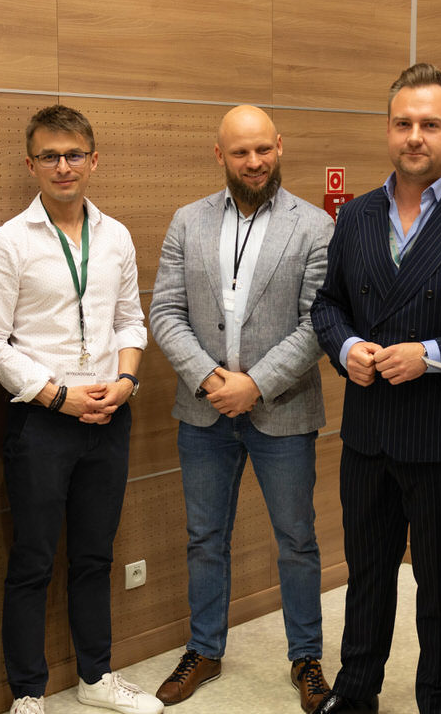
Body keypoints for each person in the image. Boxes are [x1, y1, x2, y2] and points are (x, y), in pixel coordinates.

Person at [310, 64, 441, 714]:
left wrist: (431, 354)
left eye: (429, 124)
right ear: (388, 130)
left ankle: (437, 700)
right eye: (402, 123)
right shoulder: (358, 215)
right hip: (367, 432)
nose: (414, 136)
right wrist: (346, 347)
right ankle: (356, 691)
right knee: (366, 573)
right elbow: (328, 304)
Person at [0, 105, 162, 714]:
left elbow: (130, 319)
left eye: (74, 154)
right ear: (30, 164)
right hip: (41, 422)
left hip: (110, 414)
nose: (63, 166)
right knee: (32, 560)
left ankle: (96, 677)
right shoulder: (5, 244)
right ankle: (27, 693)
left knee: (95, 556)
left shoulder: (117, 236)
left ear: (93, 160)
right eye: (49, 156)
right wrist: (58, 395)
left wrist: (126, 381)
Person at [148, 105, 335, 712]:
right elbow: (165, 312)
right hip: (204, 413)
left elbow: (317, 323)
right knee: (205, 538)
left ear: (279, 146)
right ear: (219, 154)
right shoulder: (187, 221)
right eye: (240, 152)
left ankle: (306, 658)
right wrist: (210, 380)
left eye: (263, 149)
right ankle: (204, 649)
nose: (253, 162)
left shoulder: (314, 226)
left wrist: (254, 384)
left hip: (282, 411)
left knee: (297, 540)